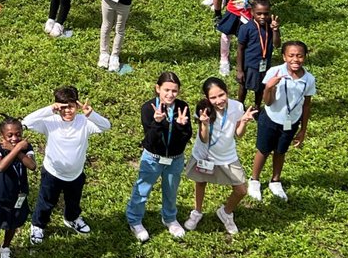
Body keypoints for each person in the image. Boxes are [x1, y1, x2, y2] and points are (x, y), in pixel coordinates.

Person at [23, 86, 111, 244]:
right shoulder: (50, 122)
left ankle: (72, 219)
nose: (67, 111)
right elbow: (26, 122)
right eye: (63, 107)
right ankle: (38, 225)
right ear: (57, 107)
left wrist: (91, 114)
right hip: (52, 172)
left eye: (70, 106)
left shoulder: (84, 122)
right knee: (46, 201)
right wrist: (50, 109)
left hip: (76, 173)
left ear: (77, 106)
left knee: (73, 200)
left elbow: (106, 126)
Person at [184, 77, 256, 235]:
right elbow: (204, 138)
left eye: (221, 95)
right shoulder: (204, 109)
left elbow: (238, 134)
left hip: (227, 156)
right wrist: (204, 123)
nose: (218, 100)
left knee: (241, 190)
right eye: (213, 97)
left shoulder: (237, 106)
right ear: (207, 98)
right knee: (201, 182)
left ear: (227, 91)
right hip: (205, 155)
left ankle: (226, 212)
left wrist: (243, 122)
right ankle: (197, 211)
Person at [127, 71, 193, 242]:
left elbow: (186, 137)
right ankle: (134, 220)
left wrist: (180, 126)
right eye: (166, 90)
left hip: (175, 158)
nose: (170, 95)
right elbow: (150, 140)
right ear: (158, 89)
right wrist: (157, 123)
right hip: (153, 157)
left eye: (174, 91)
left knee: (171, 190)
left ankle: (170, 218)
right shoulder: (148, 108)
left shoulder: (182, 107)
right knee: (142, 189)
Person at [249, 41, 315, 203]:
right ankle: (254, 180)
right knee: (263, 150)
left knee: (281, 151)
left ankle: (275, 181)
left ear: (305, 57)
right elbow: (268, 102)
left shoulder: (309, 79)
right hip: (270, 118)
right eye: (291, 55)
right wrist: (269, 88)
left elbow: (306, 105)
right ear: (284, 56)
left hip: (291, 122)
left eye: (299, 56)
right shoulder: (275, 71)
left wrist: (303, 129)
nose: (295, 59)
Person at [0, 117, 37, 258]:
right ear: (2, 136)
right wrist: (16, 149)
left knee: (13, 224)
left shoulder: (26, 147)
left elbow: (31, 165)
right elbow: (0, 166)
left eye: (18, 134)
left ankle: (5, 247)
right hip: (0, 195)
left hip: (19, 195)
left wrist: (17, 150)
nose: (14, 138)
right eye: (10, 135)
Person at [237, 0, 280, 108]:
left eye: (266, 14)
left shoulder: (270, 26)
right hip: (249, 65)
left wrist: (275, 30)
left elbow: (277, 44)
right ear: (252, 12)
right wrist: (240, 70)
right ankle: (240, 106)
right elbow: (240, 49)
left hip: (265, 65)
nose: (262, 17)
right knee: (244, 86)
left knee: (261, 87)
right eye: (259, 13)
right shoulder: (246, 28)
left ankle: (257, 107)